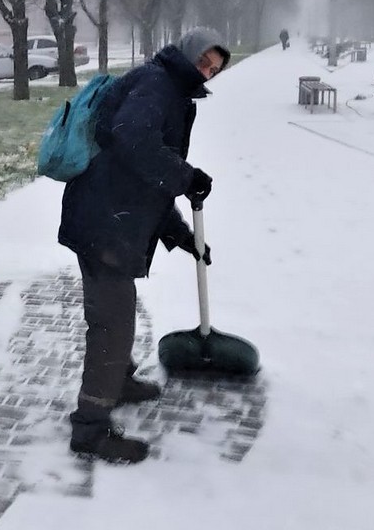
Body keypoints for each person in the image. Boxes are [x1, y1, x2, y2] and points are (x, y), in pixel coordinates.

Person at [57, 27, 229, 464]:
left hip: (110, 215)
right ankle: (90, 428)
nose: (206, 72)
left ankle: (119, 381)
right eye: (204, 62)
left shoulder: (166, 86)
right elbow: (134, 142)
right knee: (112, 324)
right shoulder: (158, 85)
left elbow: (142, 179)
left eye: (213, 70)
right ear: (189, 53)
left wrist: (181, 237)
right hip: (104, 222)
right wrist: (185, 176)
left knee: (116, 314)